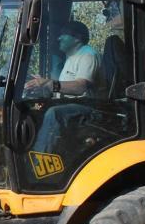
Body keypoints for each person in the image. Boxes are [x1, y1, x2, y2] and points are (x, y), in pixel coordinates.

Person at [24, 21, 100, 154]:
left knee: (54, 113)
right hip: (72, 104)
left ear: (77, 38)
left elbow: (80, 87)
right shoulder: (71, 57)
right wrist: (42, 83)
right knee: (32, 107)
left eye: (63, 34)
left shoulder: (88, 55)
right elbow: (63, 86)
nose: (59, 38)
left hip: (88, 107)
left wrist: (50, 83)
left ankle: (39, 160)